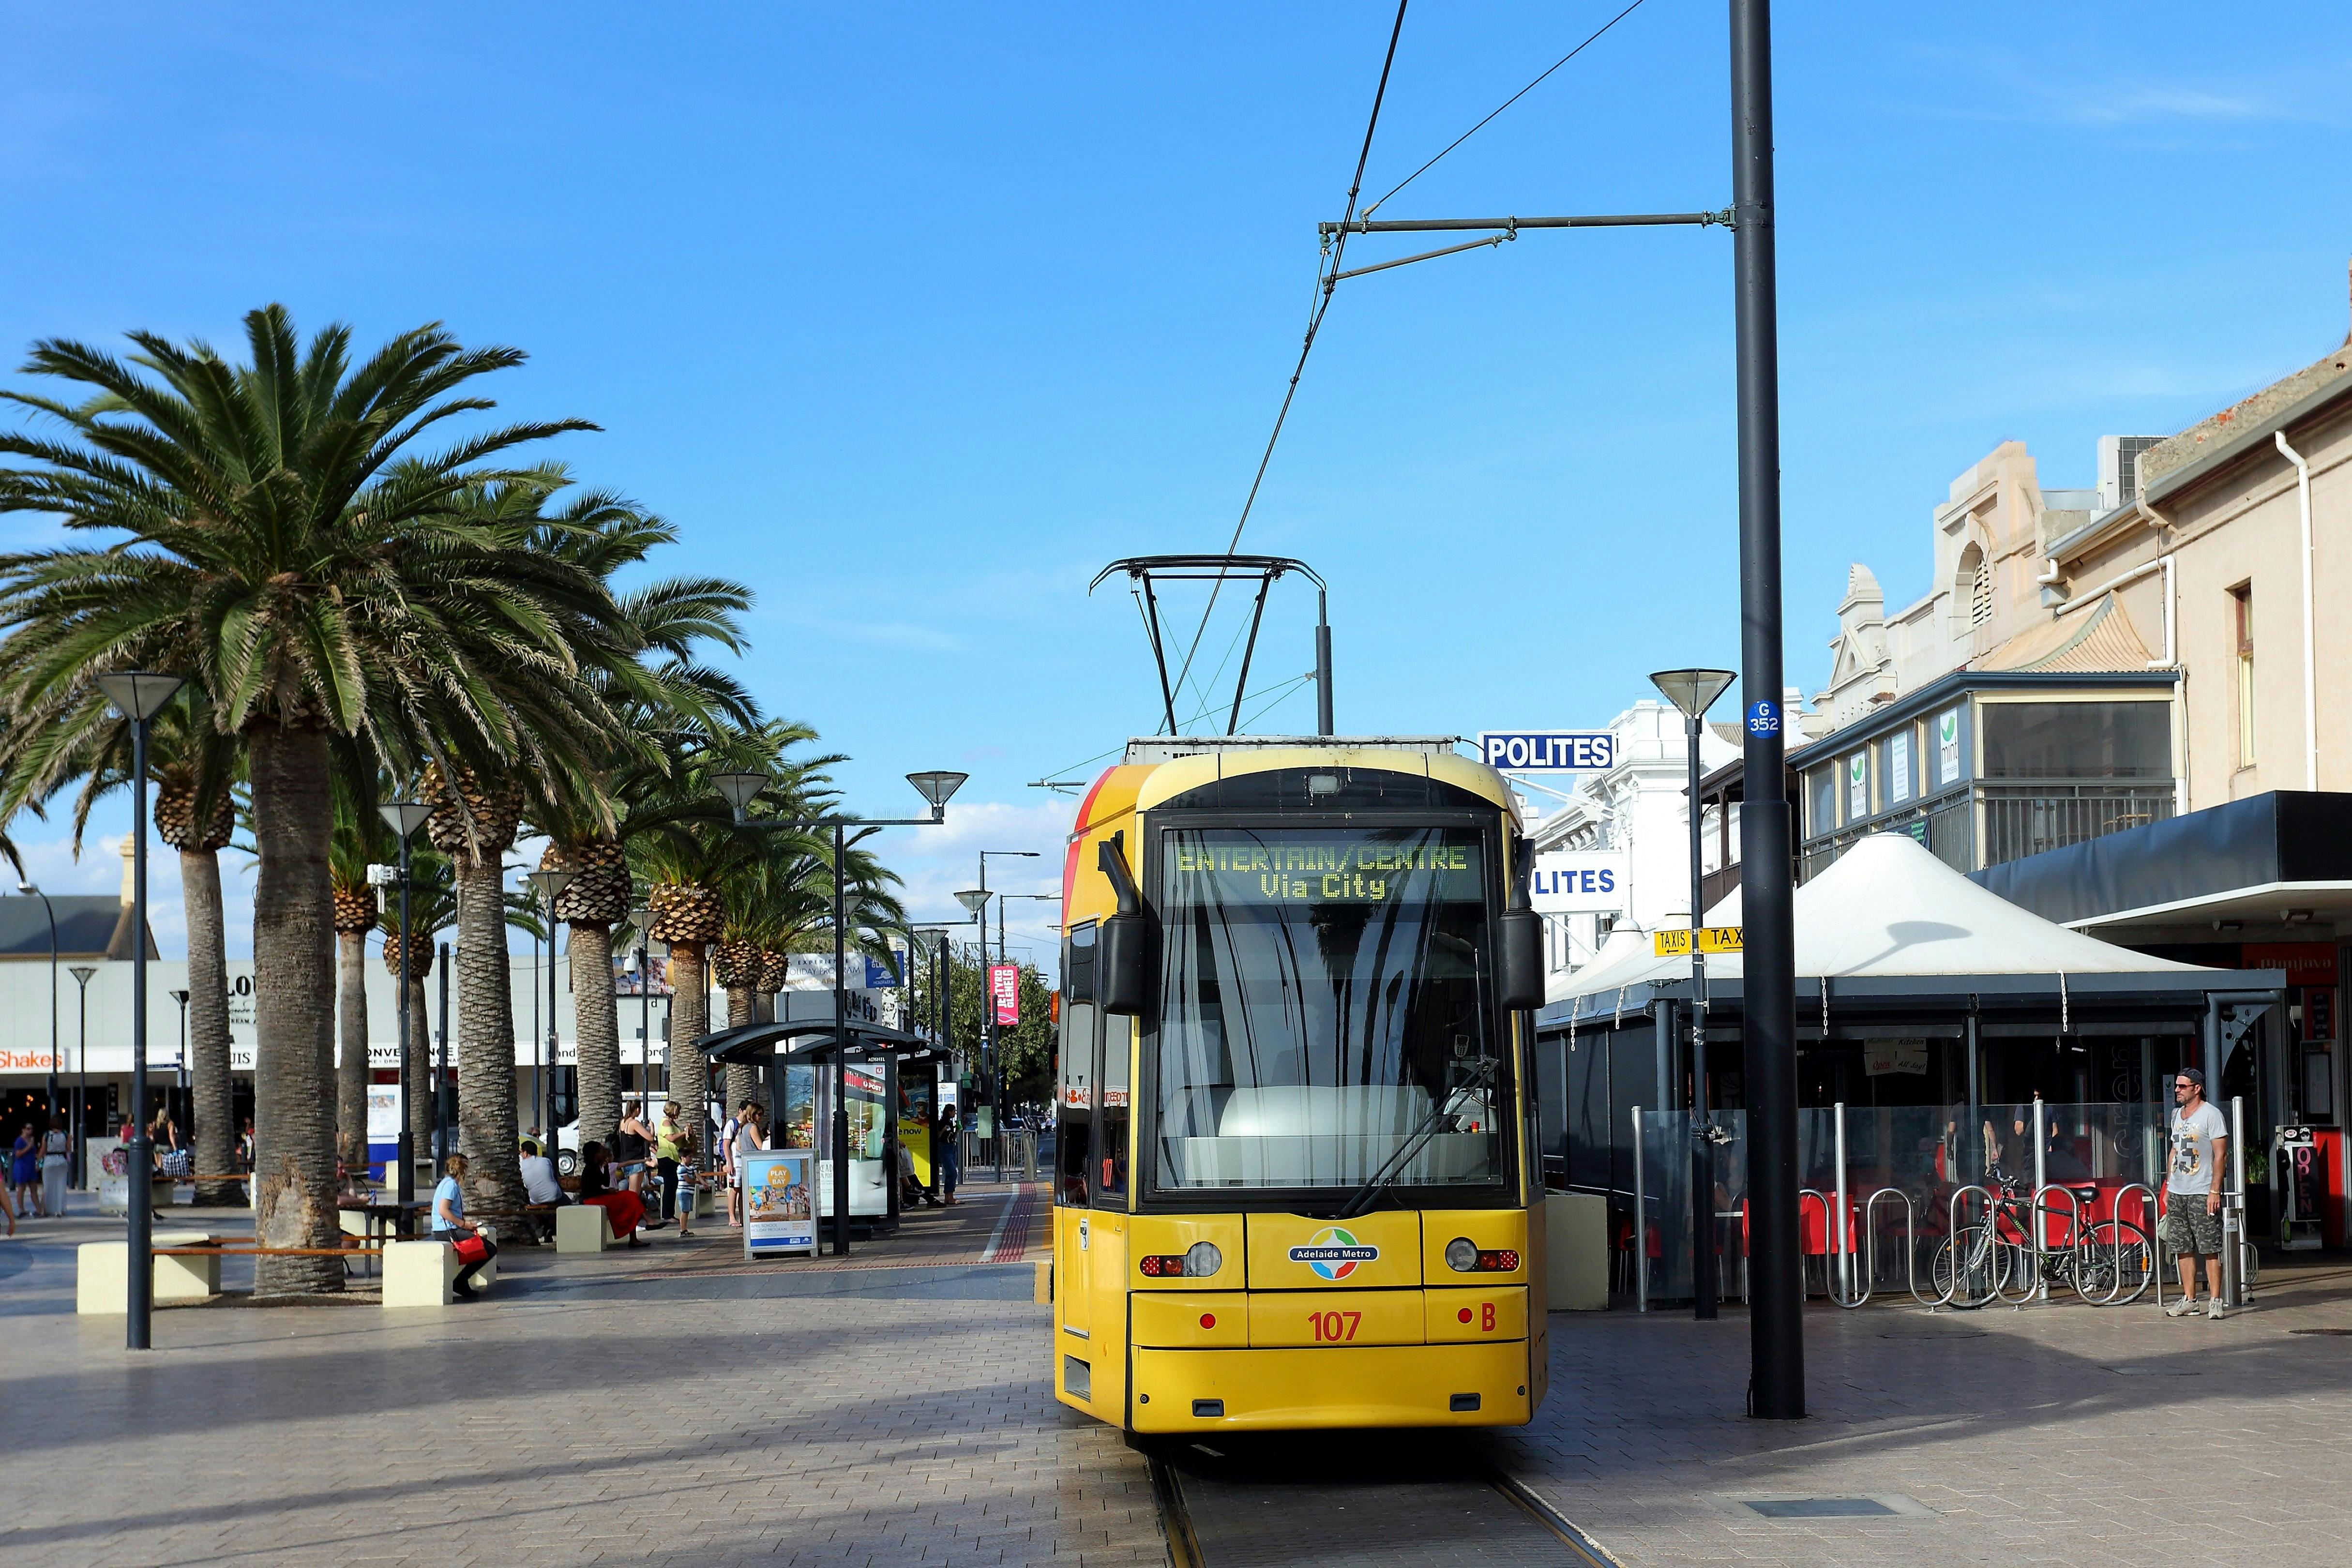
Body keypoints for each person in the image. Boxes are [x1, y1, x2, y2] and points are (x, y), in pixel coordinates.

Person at [2162, 1067, 2232, 1319]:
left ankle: (2215, 1300)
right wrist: (2168, 1185)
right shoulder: (2176, 1115)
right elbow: (2174, 1150)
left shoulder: (2211, 1115)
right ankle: (2190, 1299)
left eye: (2183, 1086)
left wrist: (2215, 1190)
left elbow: (2220, 1155)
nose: (2177, 1090)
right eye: (2177, 1086)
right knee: (2182, 1247)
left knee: (2209, 1246)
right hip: (2179, 1190)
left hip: (2202, 1190)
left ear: (2197, 1088)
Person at [431, 1153, 498, 1300]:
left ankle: (461, 1281)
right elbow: (443, 1210)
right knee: (489, 1249)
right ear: (463, 1171)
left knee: (483, 1245)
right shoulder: (451, 1186)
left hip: (447, 1229)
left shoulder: (446, 1183)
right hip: (446, 1231)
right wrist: (464, 1225)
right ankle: (460, 1282)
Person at [576, 1142, 649, 1248]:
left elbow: (605, 1182)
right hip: (593, 1199)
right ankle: (648, 1221)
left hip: (599, 1196)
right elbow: (591, 1191)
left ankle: (637, 1234)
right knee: (631, 1197)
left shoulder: (596, 1167)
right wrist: (607, 1192)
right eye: (601, 1150)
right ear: (596, 1154)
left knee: (631, 1197)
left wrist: (606, 1167)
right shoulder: (590, 1169)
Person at [518, 1139, 570, 1243]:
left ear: (526, 1152)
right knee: (568, 1204)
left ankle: (545, 1226)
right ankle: (550, 1227)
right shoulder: (546, 1161)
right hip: (555, 1195)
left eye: (521, 1152)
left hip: (536, 1199)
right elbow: (552, 1176)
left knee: (534, 1207)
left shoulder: (521, 1166)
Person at [614, 1101, 655, 1214]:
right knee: (634, 1195)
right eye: (639, 1108)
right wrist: (652, 1128)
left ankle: (632, 1219)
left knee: (631, 1193)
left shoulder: (623, 1122)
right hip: (636, 1162)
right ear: (636, 1109)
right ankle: (632, 1222)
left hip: (626, 1161)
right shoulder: (634, 1123)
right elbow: (650, 1138)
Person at [719, 1102, 745, 1226]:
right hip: (735, 1162)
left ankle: (742, 1217)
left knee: (742, 1190)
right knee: (734, 1190)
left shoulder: (745, 1125)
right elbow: (725, 1144)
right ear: (741, 1111)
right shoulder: (732, 1124)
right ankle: (732, 1217)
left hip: (742, 1161)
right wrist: (729, 1163)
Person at [41, 1116, 70, 1219]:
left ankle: (47, 1209)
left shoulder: (47, 1135)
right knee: (61, 1186)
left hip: (50, 1160)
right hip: (62, 1160)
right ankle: (60, 1210)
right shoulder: (66, 1134)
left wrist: (38, 1160)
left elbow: (43, 1149)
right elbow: (68, 1148)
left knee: (48, 1186)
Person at [10, 1121, 39, 1219]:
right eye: (28, 1129)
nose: (30, 1131)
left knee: (34, 1189)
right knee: (21, 1189)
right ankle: (21, 1209)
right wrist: (29, 1147)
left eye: (31, 1129)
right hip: (22, 1166)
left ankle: (39, 1209)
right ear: (23, 1130)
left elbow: (34, 1154)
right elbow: (18, 1154)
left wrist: (36, 1163)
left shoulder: (31, 1140)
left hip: (31, 1166)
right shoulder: (19, 1141)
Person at [936, 1104, 960, 1206]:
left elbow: (952, 1137)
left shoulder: (950, 1123)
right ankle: (949, 1196)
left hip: (951, 1147)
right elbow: (938, 1136)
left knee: (952, 1173)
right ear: (949, 1112)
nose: (955, 1113)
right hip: (945, 1148)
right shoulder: (942, 1122)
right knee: (952, 1172)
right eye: (954, 1111)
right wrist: (943, 1130)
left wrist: (958, 1130)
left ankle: (950, 1196)